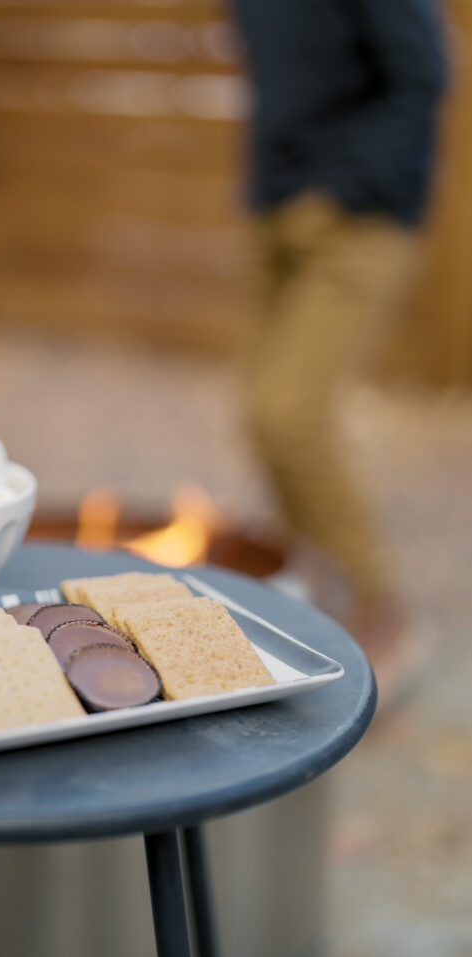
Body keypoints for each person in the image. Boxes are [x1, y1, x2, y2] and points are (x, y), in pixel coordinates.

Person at [229, 0, 447, 703]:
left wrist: (340, 189)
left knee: (287, 414)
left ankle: (383, 611)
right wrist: (269, 190)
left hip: (357, 217)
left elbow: (421, 75)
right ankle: (318, 596)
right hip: (277, 210)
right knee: (266, 419)